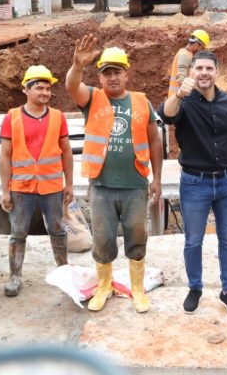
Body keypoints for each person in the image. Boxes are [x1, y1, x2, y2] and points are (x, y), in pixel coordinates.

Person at [65, 34, 163, 313]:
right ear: (101, 78)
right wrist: (77, 64)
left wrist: (156, 178)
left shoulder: (142, 102)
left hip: (134, 184)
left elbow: (155, 140)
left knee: (136, 235)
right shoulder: (93, 99)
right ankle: (104, 286)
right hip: (102, 185)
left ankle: (137, 288)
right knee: (103, 239)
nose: (112, 78)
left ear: (126, 74)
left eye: (117, 72)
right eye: (106, 73)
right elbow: (72, 85)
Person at [159, 50, 227, 318]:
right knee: (193, 240)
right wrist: (178, 94)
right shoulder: (184, 103)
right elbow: (165, 116)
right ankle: (195, 288)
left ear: (217, 72)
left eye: (208, 68)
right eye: (198, 68)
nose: (203, 73)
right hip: (194, 183)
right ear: (191, 72)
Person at [0, 65, 73, 297]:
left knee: (58, 229)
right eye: (39, 88)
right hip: (21, 187)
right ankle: (15, 277)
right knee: (18, 232)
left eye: (48, 88)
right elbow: (5, 155)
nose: (44, 92)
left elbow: (66, 151)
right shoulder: (12, 117)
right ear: (26, 90)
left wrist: (69, 184)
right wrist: (5, 190)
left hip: (51, 187)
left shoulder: (58, 117)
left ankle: (63, 272)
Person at [167, 29, 210, 98]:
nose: (202, 50)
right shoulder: (185, 55)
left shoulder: (188, 54)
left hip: (179, 98)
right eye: (202, 47)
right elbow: (181, 79)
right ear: (196, 44)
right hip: (178, 100)